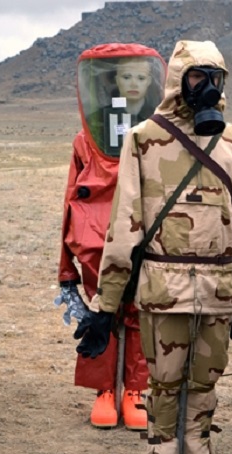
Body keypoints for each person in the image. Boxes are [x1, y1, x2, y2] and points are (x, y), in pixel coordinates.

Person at [73, 40, 232, 454]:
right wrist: (107, 306)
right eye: (199, 77)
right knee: (164, 389)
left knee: (204, 389)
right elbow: (125, 228)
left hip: (217, 292)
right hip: (164, 290)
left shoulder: (230, 139)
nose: (208, 87)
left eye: (216, 79)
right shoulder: (145, 139)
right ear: (178, 81)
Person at [56, 43, 166, 430]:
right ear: (113, 80)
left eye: (141, 76)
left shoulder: (159, 132)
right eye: (126, 76)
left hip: (145, 230)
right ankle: (104, 388)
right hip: (96, 237)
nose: (134, 84)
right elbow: (73, 195)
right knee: (102, 309)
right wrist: (66, 264)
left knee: (140, 308)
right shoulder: (88, 137)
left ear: (153, 80)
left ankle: (135, 389)